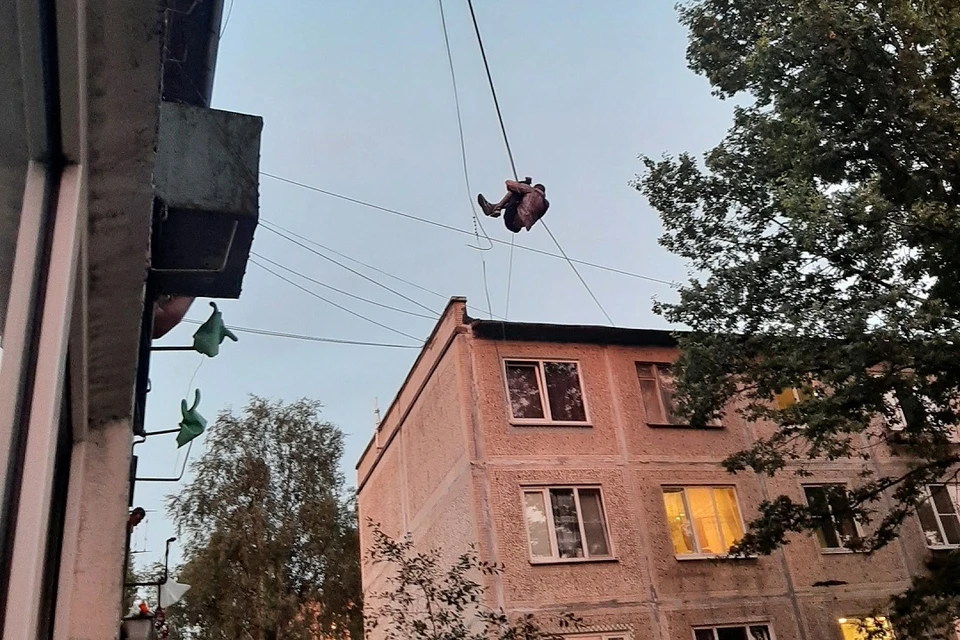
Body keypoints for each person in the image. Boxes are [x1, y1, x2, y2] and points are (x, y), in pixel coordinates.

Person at [477, 177, 549, 233]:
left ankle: (496, 208)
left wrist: (525, 183)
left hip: (511, 218)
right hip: (517, 227)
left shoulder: (530, 190)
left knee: (516, 191)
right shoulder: (545, 204)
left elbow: (509, 183)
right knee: (520, 199)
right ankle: (494, 207)